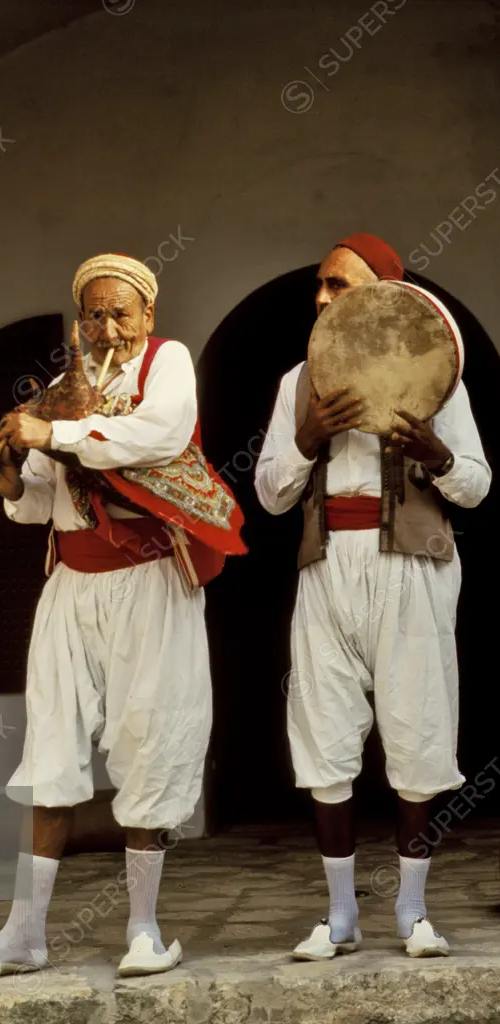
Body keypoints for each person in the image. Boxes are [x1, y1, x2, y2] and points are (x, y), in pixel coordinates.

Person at [0, 253, 245, 982]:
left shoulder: (165, 366)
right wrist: (6, 475)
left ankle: (142, 929)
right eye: (94, 314)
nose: (108, 327)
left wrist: (55, 436)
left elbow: (158, 437)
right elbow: (40, 503)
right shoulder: (57, 390)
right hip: (71, 586)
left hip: (148, 582)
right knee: (49, 746)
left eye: (121, 313)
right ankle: (22, 934)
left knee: (149, 741)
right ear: (79, 321)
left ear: (146, 316)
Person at [254, 234, 491, 960]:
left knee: (416, 730)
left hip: (411, 567)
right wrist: (304, 437)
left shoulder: (434, 368)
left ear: (385, 296)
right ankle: (339, 916)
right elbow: (268, 495)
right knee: (323, 735)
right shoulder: (298, 381)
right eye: (320, 287)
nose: (323, 298)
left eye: (339, 285)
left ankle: (412, 912)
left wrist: (436, 456)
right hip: (326, 568)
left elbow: (476, 486)